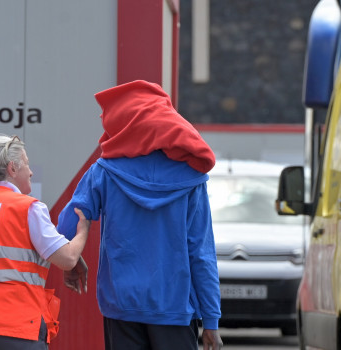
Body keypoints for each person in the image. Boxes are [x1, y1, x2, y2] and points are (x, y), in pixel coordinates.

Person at [57, 80, 223, 350]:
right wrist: (212, 321)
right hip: (175, 310)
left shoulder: (105, 171)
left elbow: (70, 222)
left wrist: (71, 262)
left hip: (121, 307)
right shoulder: (192, 178)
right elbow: (201, 253)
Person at [0, 134, 91, 350]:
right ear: (12, 168)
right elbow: (68, 258)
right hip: (13, 327)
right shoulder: (27, 208)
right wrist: (83, 231)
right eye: (27, 165)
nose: (31, 172)